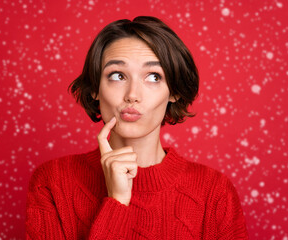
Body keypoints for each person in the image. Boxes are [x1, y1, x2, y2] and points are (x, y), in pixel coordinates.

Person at [25, 16, 248, 239]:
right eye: (117, 76)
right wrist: (117, 202)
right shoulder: (52, 181)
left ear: (174, 91)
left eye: (153, 77)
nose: (132, 95)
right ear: (95, 88)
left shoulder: (214, 192)